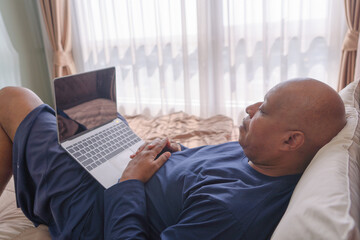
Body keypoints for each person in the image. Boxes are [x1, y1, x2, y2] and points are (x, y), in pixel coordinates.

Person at [0, 78, 346, 239]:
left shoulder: (233, 215)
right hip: (127, 174)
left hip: (97, 211)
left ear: (290, 140)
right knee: (94, 114)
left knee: (13, 98)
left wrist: (131, 181)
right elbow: (203, 171)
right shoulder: (261, 155)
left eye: (264, 110)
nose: (250, 108)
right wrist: (174, 154)